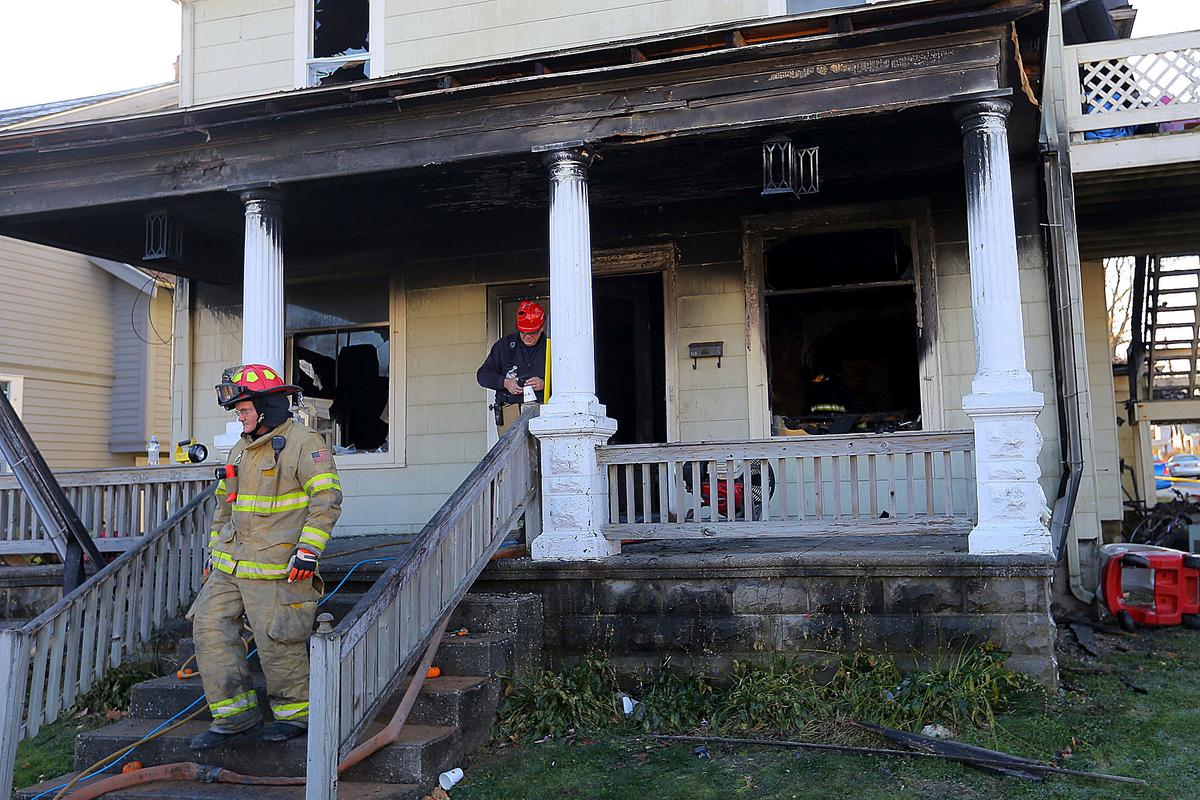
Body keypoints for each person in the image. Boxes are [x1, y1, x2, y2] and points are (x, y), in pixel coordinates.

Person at [187, 364, 342, 750]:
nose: (239, 418)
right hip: (230, 564)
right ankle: (234, 716)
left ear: (267, 407)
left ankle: (296, 716)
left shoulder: (306, 444)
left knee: (279, 640)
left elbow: (326, 501)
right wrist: (213, 552)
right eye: (237, 411)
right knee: (208, 625)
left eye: (244, 410)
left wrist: (308, 551)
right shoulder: (242, 447)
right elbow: (225, 504)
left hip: (277, 569)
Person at [476, 300, 550, 434]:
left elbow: (570, 380)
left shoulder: (551, 346)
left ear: (542, 328)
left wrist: (545, 384)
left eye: (532, 332)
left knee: (546, 453)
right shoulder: (504, 346)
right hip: (510, 409)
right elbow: (482, 375)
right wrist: (505, 382)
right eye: (523, 332)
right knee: (512, 453)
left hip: (544, 410)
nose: (527, 336)